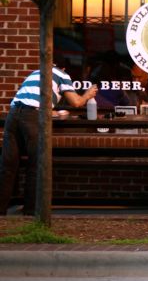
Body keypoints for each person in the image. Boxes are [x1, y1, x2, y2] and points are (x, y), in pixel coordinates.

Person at [0, 62, 98, 215]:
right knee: (37, 164)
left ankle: (1, 210)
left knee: (7, 165)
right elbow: (76, 102)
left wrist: (54, 113)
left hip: (13, 115)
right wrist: (88, 94)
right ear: (64, 68)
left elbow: (32, 103)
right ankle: (31, 212)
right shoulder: (62, 74)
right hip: (31, 118)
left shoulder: (37, 72)